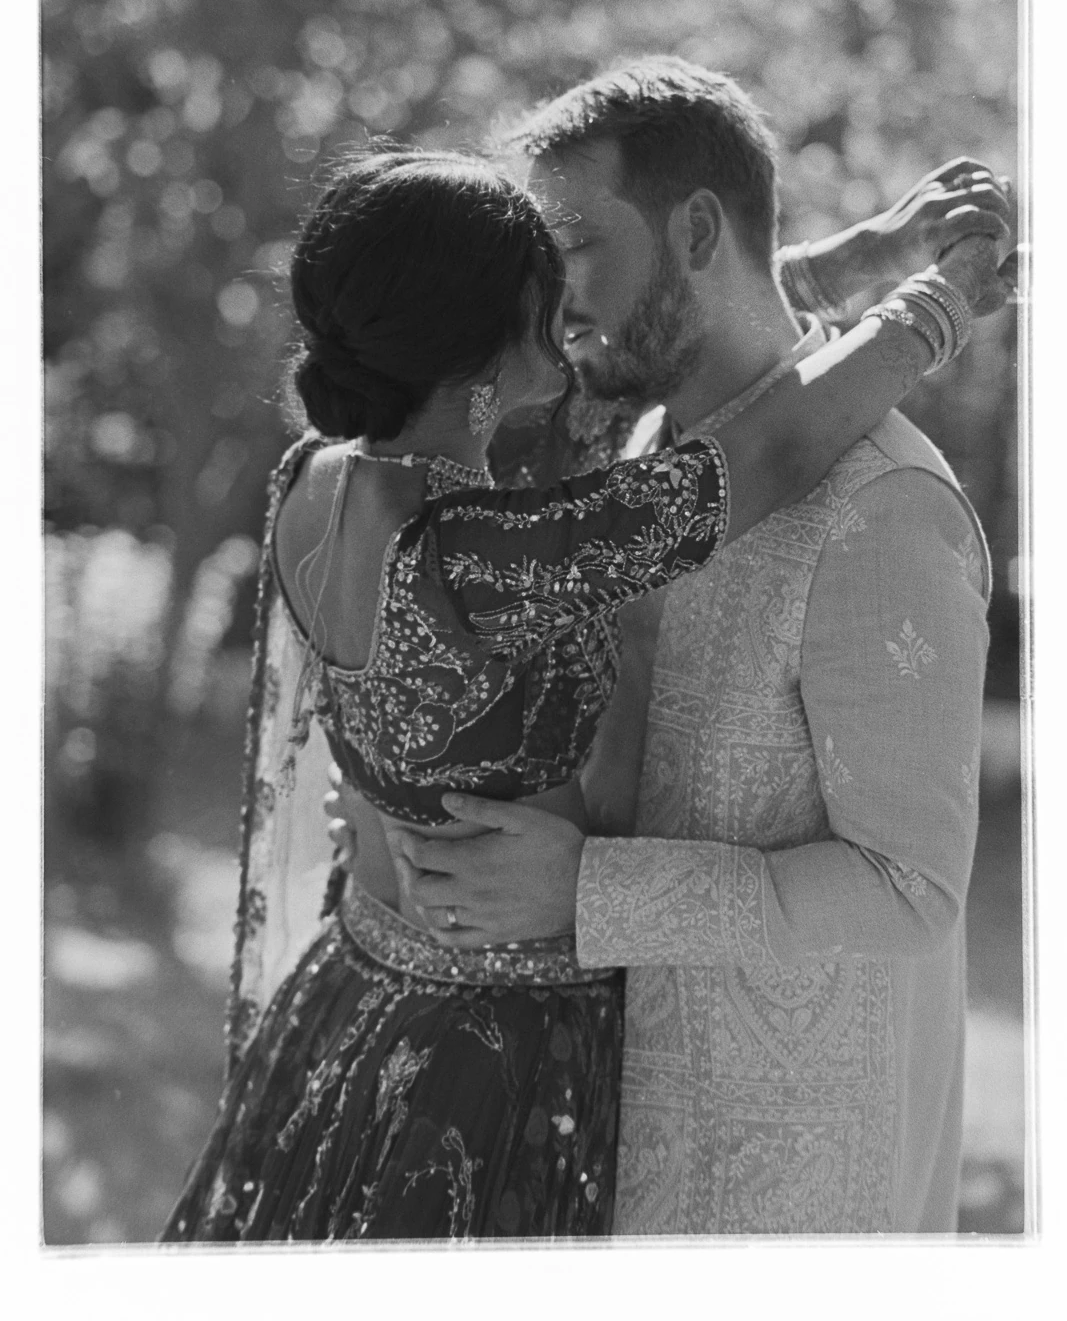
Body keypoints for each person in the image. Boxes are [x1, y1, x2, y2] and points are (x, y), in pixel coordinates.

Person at [163, 140, 1010, 1243]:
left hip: (355, 991)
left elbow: (688, 344)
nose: (572, 319)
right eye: (546, 293)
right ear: (489, 348)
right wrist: (944, 296)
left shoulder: (314, 481)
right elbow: (766, 451)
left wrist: (852, 258)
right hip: (485, 1057)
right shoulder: (486, 558)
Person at [386, 59, 1014, 1235]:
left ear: (692, 231)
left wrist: (582, 889)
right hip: (605, 1135)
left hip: (795, 1196)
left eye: (574, 248)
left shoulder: (881, 509)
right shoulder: (630, 445)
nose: (546, 300)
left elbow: (909, 888)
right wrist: (866, 252)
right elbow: (730, 340)